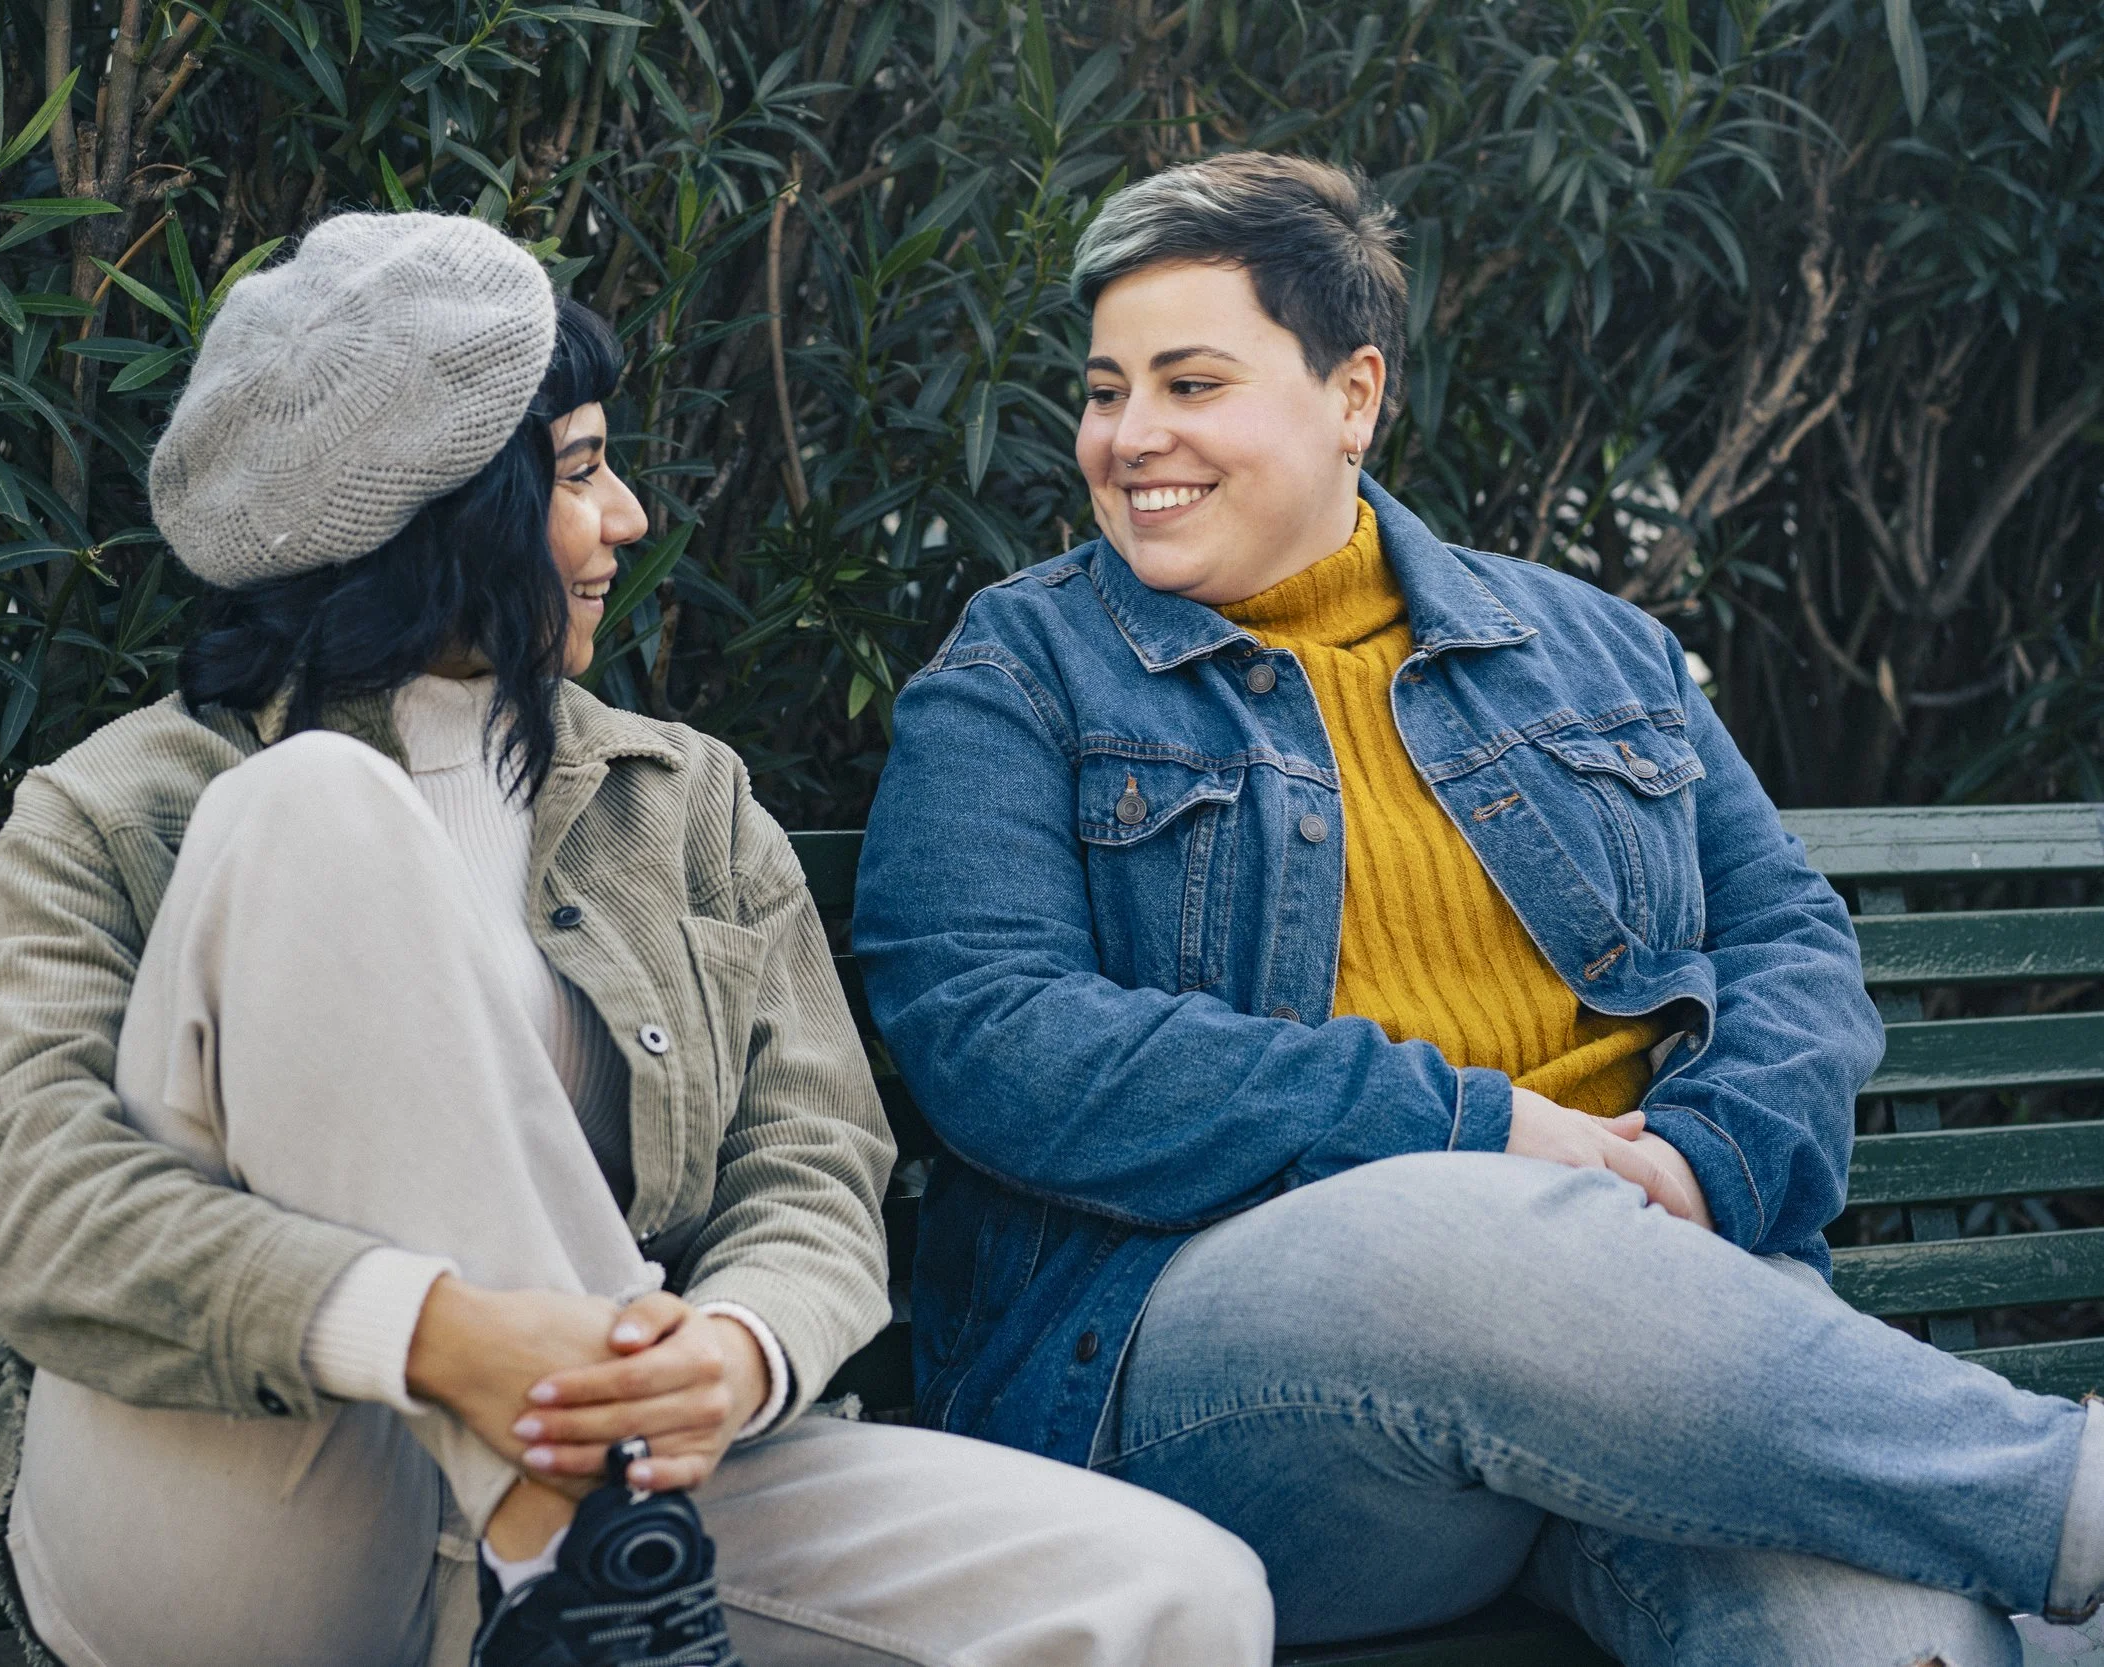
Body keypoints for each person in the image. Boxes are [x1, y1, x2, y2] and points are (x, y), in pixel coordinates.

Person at [0, 212, 1272, 1667]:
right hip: (252, 1493)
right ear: (448, 513)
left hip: (660, 1490)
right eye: (577, 471)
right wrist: (436, 1333)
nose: (628, 514)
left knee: (1182, 1593)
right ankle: (583, 1557)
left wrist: (737, 1348)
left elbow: (814, 1156)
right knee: (312, 804)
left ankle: (598, 1582)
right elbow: (29, 1200)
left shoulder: (683, 799)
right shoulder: (122, 807)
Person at [851, 151, 2104, 1666]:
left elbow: (1791, 947)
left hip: (1654, 1338)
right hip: (1223, 1391)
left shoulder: (1594, 649)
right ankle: (2073, 1498)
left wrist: (1702, 1169)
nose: (1129, 438)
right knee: (1466, 1231)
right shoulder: (1021, 674)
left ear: (1353, 394)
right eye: (1107, 389)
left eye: (1190, 384)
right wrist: (1486, 1132)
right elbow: (997, 1037)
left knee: (1886, 1636)